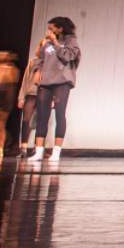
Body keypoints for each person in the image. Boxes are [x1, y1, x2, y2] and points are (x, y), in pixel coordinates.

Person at [28, 17, 80, 163]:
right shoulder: (47, 43)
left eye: (52, 28)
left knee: (59, 113)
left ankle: (56, 152)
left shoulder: (71, 42)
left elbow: (67, 56)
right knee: (42, 116)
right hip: (46, 82)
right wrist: (37, 70)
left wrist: (56, 43)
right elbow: (41, 60)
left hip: (62, 81)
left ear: (60, 29)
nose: (49, 31)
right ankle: (38, 151)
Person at [17, 43, 44, 157]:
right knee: (26, 120)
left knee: (41, 121)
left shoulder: (51, 63)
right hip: (31, 94)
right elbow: (26, 79)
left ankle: (36, 148)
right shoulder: (33, 62)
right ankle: (23, 149)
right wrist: (21, 97)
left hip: (43, 94)